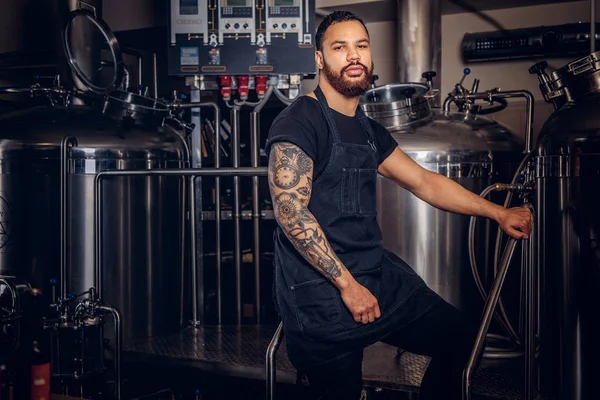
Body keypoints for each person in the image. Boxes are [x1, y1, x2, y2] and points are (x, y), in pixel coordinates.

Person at [265, 10, 533, 400]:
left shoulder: (369, 129)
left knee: (460, 339)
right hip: (321, 295)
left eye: (361, 46)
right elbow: (291, 212)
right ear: (320, 60)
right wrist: (347, 286)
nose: (353, 56)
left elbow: (424, 181)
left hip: (375, 276)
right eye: (340, 47)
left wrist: (498, 212)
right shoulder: (300, 121)